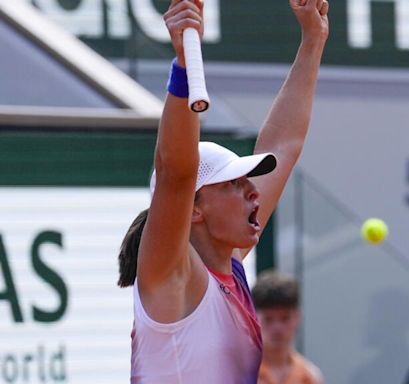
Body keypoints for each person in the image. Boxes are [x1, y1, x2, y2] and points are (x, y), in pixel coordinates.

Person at [117, 0, 329, 382]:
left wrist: (313, 40)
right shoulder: (171, 275)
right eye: (234, 183)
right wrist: (184, 63)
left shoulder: (228, 265)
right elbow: (175, 174)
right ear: (194, 209)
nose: (253, 192)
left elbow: (282, 146)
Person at [252, 270, 323, 384]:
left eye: (285, 318)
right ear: (254, 319)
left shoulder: (309, 376)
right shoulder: (242, 372)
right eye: (268, 319)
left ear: (297, 318)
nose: (277, 328)